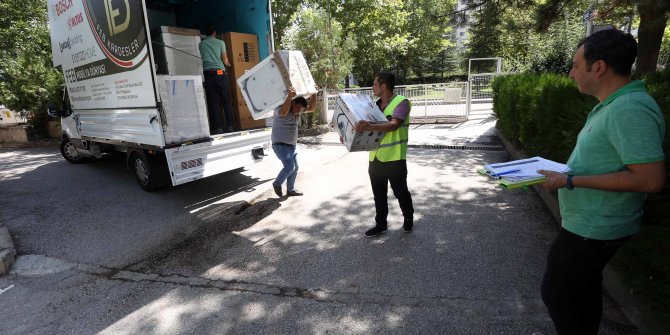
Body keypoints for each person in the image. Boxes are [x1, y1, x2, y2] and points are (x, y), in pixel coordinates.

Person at [537, 29, 666, 335]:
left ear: (599, 67)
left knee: (559, 293)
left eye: (576, 66)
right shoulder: (616, 105)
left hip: (595, 227)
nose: (571, 73)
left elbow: (650, 179)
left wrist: (570, 180)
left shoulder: (629, 109)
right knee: (582, 290)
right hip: (591, 223)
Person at [353, 72, 414, 237]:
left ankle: (408, 218)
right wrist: (350, 134)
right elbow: (364, 127)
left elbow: (394, 125)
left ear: (384, 86)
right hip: (375, 158)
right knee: (378, 196)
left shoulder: (402, 103)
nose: (372, 87)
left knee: (400, 192)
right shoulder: (374, 106)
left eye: (374, 84)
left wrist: (370, 126)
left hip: (395, 158)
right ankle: (381, 224)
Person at [271, 87, 317, 197]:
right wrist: (290, 96)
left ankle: (290, 190)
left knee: (295, 168)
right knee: (289, 167)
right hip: (280, 145)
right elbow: (282, 113)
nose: (299, 111)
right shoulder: (280, 109)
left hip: (291, 147)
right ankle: (277, 184)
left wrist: (314, 93)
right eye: (298, 108)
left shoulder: (297, 111)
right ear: (293, 103)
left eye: (301, 110)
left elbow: (312, 108)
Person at [199, 23, 235, 134]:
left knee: (213, 102)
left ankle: (218, 128)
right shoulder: (220, 42)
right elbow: (225, 60)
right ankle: (230, 126)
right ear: (214, 32)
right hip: (220, 73)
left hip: (208, 74)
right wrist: (228, 64)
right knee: (225, 100)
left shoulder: (201, 44)